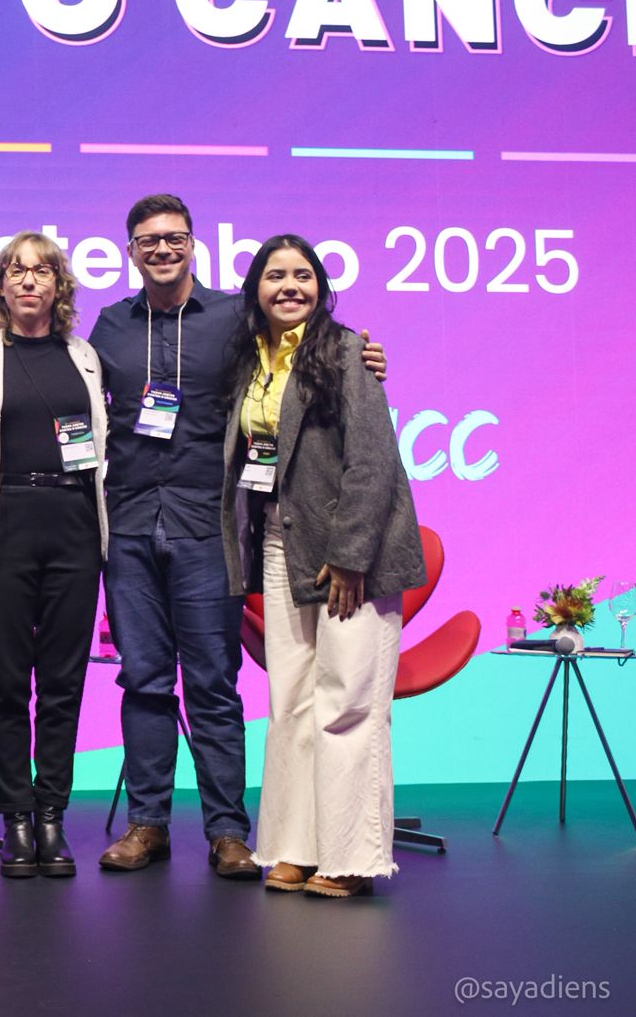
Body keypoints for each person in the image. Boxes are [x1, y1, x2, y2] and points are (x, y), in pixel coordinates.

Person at [90, 194, 385, 879]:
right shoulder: (109, 327)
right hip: (129, 525)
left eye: (174, 238)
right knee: (143, 681)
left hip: (208, 525)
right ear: (130, 250)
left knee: (214, 684)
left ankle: (228, 832)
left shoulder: (234, 318)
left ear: (193, 243)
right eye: (148, 241)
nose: (162, 249)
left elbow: (305, 351)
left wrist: (363, 355)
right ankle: (147, 825)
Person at [220, 234, 423, 898]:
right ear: (255, 288)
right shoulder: (251, 362)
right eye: (275, 275)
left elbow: (373, 463)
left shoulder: (345, 353)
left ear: (321, 286)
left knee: (348, 703)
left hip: (346, 554)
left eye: (302, 275)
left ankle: (351, 857)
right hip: (282, 546)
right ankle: (295, 846)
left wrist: (351, 556)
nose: (289, 287)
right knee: (293, 702)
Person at [0, 231, 109, 879]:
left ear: (58, 286)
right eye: (15, 270)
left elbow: (100, 443)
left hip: (74, 525)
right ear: (0, 285)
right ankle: (15, 816)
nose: (27, 281)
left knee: (64, 685)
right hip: (3, 526)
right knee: (9, 684)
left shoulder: (86, 356)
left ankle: (52, 815)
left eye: (40, 271)